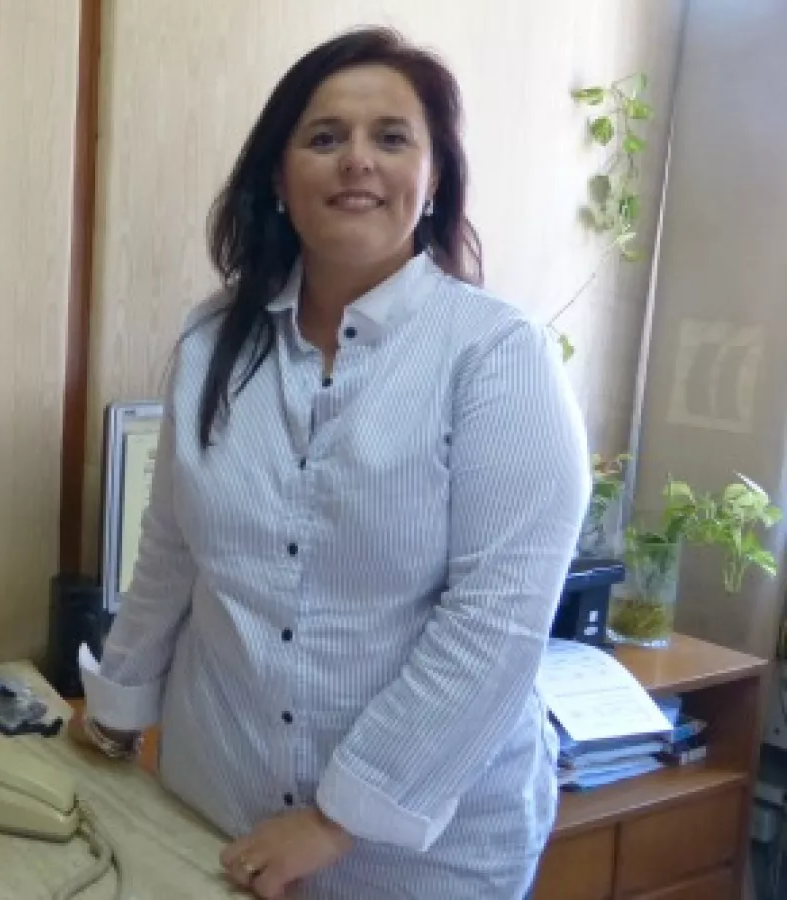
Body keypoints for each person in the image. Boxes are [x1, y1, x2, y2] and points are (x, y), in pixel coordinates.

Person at [72, 27, 588, 900]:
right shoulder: (212, 341)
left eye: (391, 138)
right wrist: (115, 709)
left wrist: (335, 819)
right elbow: (172, 550)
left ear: (433, 178)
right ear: (278, 179)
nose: (357, 160)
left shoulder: (499, 357)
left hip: (428, 855)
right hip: (220, 804)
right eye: (324, 137)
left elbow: (494, 624)